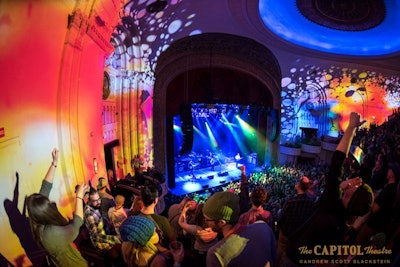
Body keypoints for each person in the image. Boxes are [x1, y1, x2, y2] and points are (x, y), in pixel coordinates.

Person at [283, 112, 375, 265]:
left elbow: (337, 162)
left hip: (292, 259)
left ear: (352, 196)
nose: (355, 181)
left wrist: (351, 126)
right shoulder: (345, 218)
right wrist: (342, 187)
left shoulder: (331, 204)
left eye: (358, 185)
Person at [27, 148, 89, 267]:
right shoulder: (49, 233)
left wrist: (54, 162)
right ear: (45, 212)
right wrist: (79, 197)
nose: (50, 202)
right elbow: (76, 225)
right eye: (49, 204)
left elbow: (45, 187)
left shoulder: (37, 220)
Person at [203, 190, 277, 267]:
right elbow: (274, 258)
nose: (205, 223)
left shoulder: (216, 254)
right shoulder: (262, 226)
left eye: (207, 220)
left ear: (222, 222)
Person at [276, 176, 315, 266]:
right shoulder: (311, 202)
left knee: (280, 253)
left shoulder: (291, 201)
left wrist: (278, 228)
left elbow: (281, 218)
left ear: (298, 186)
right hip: (299, 235)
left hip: (286, 234)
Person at [119, 216, 184, 267]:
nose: (157, 231)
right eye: (153, 231)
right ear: (143, 239)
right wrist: (177, 262)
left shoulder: (126, 245)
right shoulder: (158, 260)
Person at [83, 187, 123, 265]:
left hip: (105, 236)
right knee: (116, 259)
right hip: (101, 243)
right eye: (95, 201)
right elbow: (97, 237)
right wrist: (115, 239)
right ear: (89, 201)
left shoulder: (95, 206)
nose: (99, 202)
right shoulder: (89, 215)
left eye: (99, 199)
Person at [178, 203, 219, 267]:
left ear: (198, 215)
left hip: (200, 253)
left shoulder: (196, 229)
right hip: (215, 250)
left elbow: (181, 222)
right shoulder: (216, 226)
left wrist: (184, 209)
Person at [139, 184, 176, 248]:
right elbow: (173, 242)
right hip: (157, 254)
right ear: (155, 201)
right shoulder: (162, 221)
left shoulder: (133, 215)